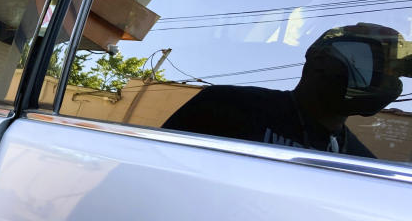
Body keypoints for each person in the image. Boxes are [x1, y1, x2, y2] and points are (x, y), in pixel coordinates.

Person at [163, 23, 409, 158]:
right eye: (369, 64)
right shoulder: (225, 105)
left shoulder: (362, 162)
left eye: (392, 73)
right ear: (319, 62)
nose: (385, 80)